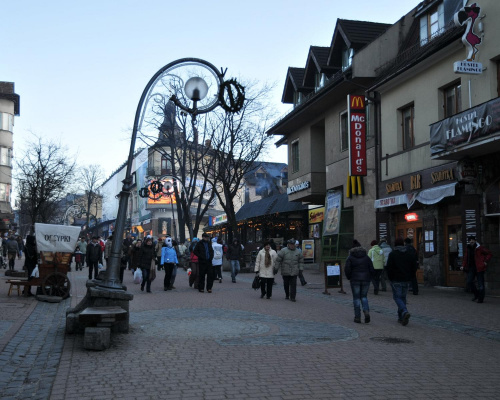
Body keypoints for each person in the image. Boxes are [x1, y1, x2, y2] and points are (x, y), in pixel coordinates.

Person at [386, 237, 416, 326]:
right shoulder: (409, 254)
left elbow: (389, 268)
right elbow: (414, 266)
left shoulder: (393, 254)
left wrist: (390, 278)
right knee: (403, 297)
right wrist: (411, 276)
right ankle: (401, 317)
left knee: (397, 297)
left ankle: (404, 311)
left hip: (396, 279)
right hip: (406, 279)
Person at [345, 239, 375, 323]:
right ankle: (366, 311)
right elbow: (371, 268)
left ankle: (357, 317)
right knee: (364, 296)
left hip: (355, 279)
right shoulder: (366, 257)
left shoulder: (350, 257)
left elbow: (347, 269)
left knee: (356, 298)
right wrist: (370, 277)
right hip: (366, 279)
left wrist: (349, 277)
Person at [461, 236, 492, 303]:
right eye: (470, 240)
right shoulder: (468, 248)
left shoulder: (480, 248)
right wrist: (463, 265)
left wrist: (485, 261)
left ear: (475, 240)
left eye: (472, 240)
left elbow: (489, 253)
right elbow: (466, 258)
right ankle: (477, 294)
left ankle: (481, 299)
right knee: (469, 282)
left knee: (481, 284)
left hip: (479, 267)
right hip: (471, 268)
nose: (471, 241)